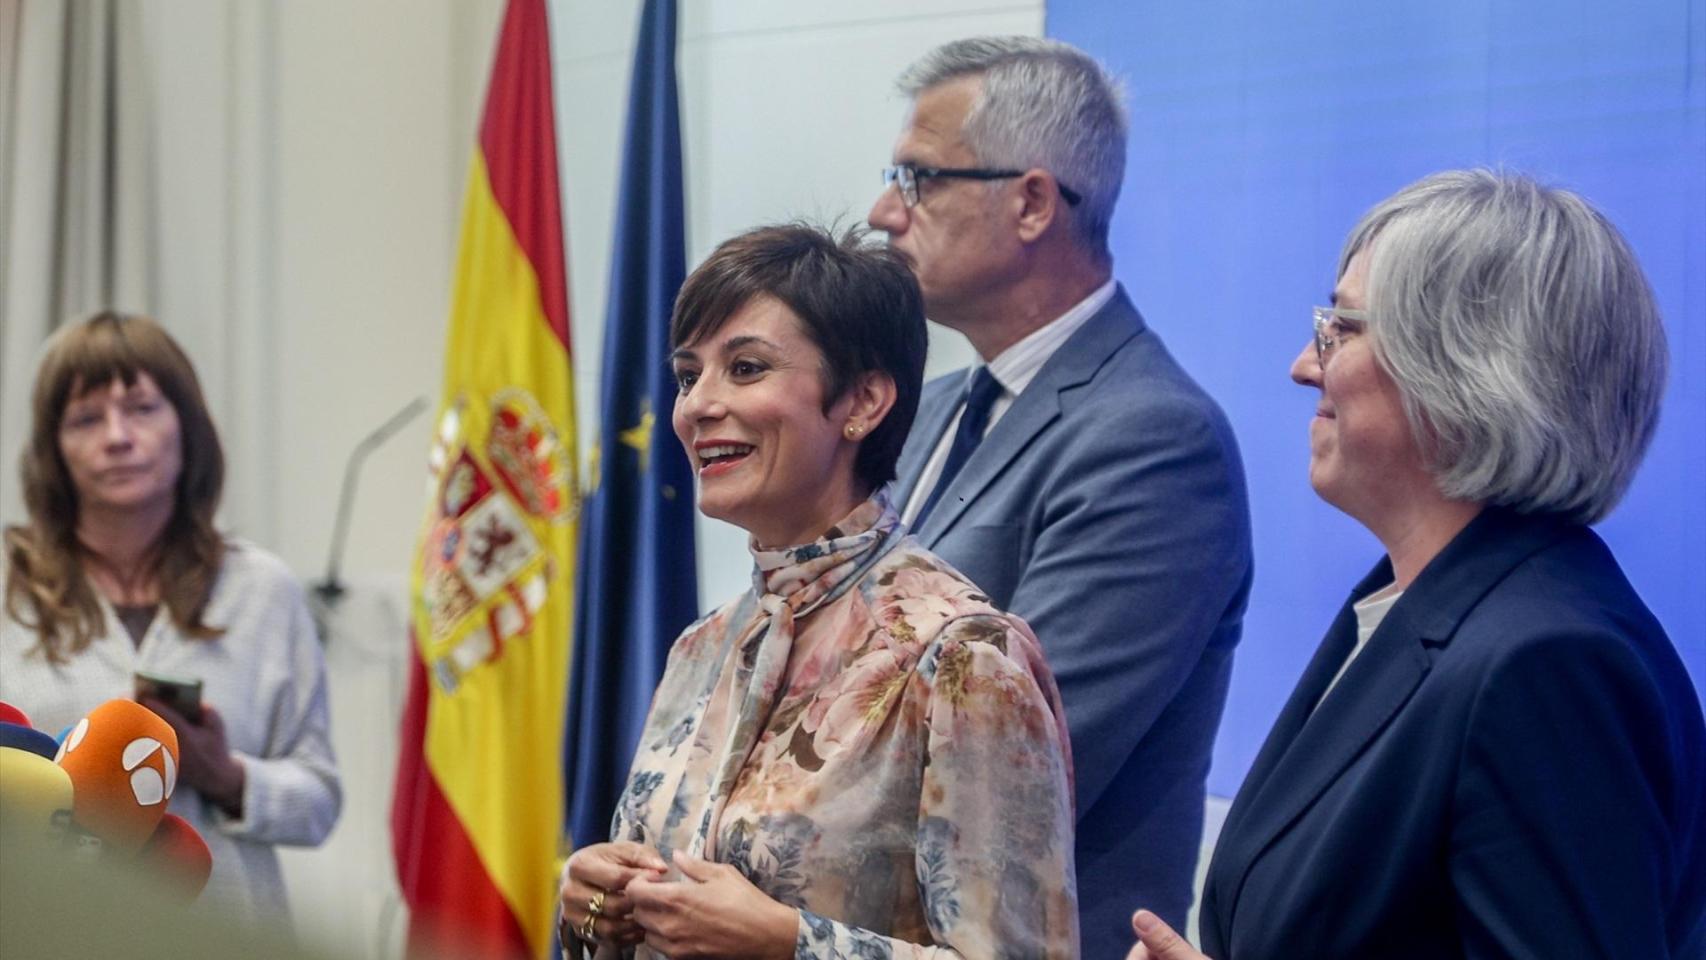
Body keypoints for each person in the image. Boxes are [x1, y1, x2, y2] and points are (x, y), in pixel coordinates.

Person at [1127, 170, 1706, 960]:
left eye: (1340, 328)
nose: (1303, 365)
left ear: (1468, 366)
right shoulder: (1420, 603)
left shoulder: (1549, 663)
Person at [556, 224, 1078, 959]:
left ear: (863, 401)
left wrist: (789, 942)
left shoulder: (965, 656)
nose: (697, 405)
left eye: (745, 368)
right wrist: (592, 906)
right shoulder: (701, 646)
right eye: (687, 375)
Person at [867, 36, 1253, 953]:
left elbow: (1004, 770)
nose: (884, 212)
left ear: (1033, 202)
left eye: (920, 179)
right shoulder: (932, 408)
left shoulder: (1155, 441)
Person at [1, 312, 340, 918]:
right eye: (85, 418)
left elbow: (320, 800)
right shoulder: (8, 582)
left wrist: (227, 776)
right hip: (47, 931)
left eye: (141, 408)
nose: (117, 436)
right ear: (54, 449)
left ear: (188, 427)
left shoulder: (263, 590)